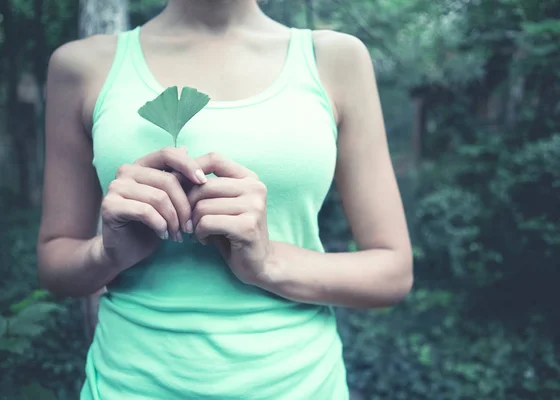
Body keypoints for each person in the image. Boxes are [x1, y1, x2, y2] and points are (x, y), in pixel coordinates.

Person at [37, 0, 413, 398]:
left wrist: (270, 263)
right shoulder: (81, 66)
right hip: (127, 387)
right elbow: (54, 264)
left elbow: (392, 271)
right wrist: (108, 253)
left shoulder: (335, 59)